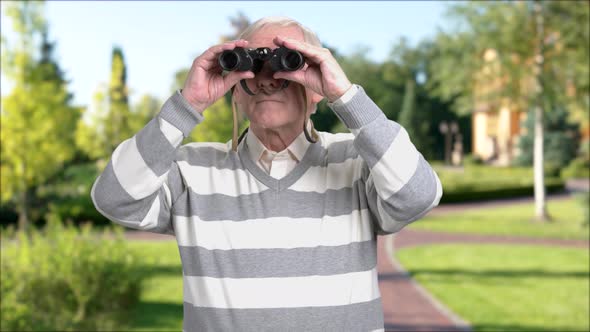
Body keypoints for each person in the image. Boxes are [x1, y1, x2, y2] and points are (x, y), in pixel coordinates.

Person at [91, 16, 442, 332]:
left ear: (317, 87)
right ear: (236, 93)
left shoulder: (357, 162)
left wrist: (346, 96)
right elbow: (114, 197)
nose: (267, 80)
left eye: (287, 63)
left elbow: (418, 195)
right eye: (253, 66)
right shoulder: (191, 170)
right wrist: (188, 104)